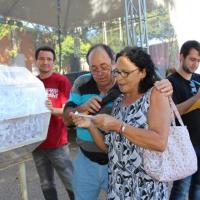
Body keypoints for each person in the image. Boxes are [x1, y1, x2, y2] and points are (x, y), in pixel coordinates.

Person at [63, 44, 173, 200]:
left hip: (144, 184)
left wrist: (118, 126)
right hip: (118, 182)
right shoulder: (120, 100)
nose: (119, 77)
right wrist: (90, 124)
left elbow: (160, 142)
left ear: (142, 72)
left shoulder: (154, 94)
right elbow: (110, 148)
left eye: (125, 73)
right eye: (117, 72)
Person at [32, 46, 74, 200]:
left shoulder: (61, 80)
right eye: (42, 58)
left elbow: (68, 110)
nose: (45, 62)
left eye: (49, 59)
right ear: (36, 61)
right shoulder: (32, 83)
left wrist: (51, 109)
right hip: (37, 144)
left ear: (53, 62)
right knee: (46, 184)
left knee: (71, 182)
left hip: (58, 143)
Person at [168, 40, 200, 200]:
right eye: (192, 59)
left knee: (198, 187)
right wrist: (196, 98)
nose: (195, 64)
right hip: (183, 144)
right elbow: (170, 113)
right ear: (181, 57)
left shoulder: (199, 78)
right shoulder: (170, 82)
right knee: (181, 188)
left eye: (199, 61)